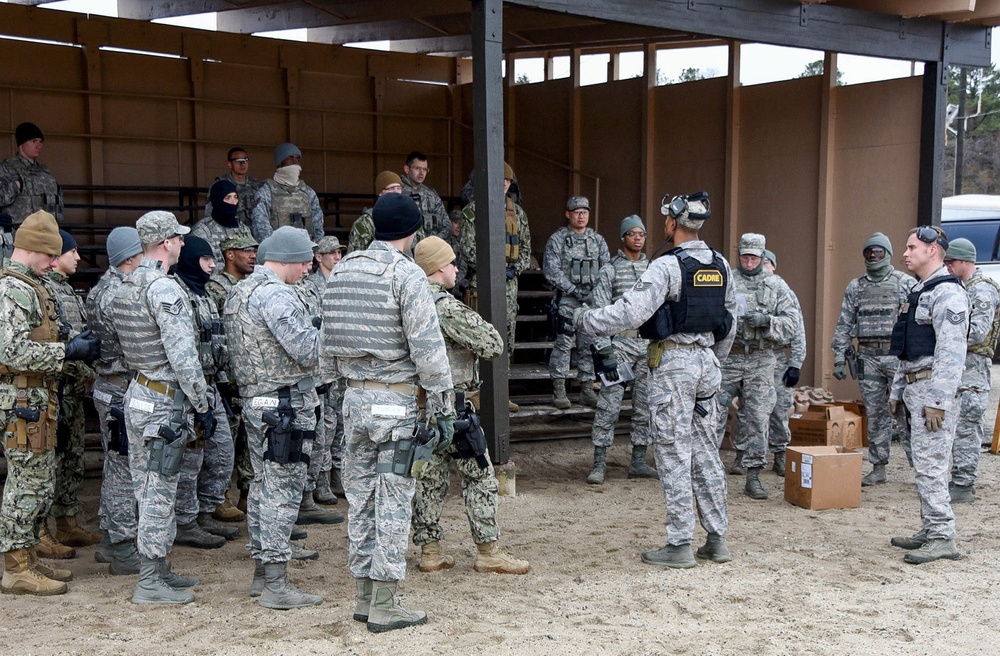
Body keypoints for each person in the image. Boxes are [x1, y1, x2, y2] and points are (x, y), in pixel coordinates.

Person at [575, 191, 736, 568]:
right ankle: (717, 539)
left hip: (675, 365)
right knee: (706, 453)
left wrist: (586, 319)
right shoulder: (721, 264)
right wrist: (713, 362)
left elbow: (631, 313)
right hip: (707, 366)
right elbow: (730, 324)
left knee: (673, 453)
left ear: (673, 223)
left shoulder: (667, 267)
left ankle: (679, 544)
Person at [324, 193, 455, 633]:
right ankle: (385, 603)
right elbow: (429, 351)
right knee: (394, 501)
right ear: (413, 231)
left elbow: (328, 338)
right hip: (394, 403)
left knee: (360, 501)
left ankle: (363, 597)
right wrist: (443, 405)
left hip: (353, 400)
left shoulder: (342, 269)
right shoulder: (406, 275)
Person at [411, 236, 530, 576]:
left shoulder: (410, 303)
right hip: (455, 409)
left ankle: (430, 552)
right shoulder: (445, 306)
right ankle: (488, 551)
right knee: (480, 478)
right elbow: (492, 343)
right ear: (437, 268)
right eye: (451, 264)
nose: (457, 269)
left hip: (422, 410)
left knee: (428, 481)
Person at [222, 226, 326, 610]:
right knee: (282, 492)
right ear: (285, 259)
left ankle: (262, 573)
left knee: (264, 488)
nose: (308, 268)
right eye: (303, 261)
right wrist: (329, 329)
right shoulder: (276, 295)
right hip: (285, 405)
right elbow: (306, 351)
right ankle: (276, 583)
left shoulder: (240, 292)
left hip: (257, 402)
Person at [114, 211, 213, 605]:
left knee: (145, 486)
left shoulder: (125, 286)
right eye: (179, 238)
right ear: (166, 242)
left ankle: (159, 568)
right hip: (163, 402)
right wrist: (202, 402)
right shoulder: (164, 289)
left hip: (138, 391)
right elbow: (184, 358)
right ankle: (150, 581)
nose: (184, 244)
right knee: (159, 490)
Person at [0, 210, 98, 596]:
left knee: (39, 481)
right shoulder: (11, 289)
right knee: (26, 483)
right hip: (21, 398)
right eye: (50, 255)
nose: (54, 262)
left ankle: (26, 556)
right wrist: (66, 351)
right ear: (36, 249)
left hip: (37, 396)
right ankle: (14, 567)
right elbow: (9, 350)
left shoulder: (30, 285)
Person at [888, 226, 968, 564]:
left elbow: (951, 354)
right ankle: (931, 526)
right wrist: (897, 390)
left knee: (932, 465)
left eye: (911, 247)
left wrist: (938, 403)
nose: (905, 254)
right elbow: (906, 350)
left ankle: (942, 537)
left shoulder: (948, 294)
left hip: (931, 394)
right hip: (914, 390)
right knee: (921, 464)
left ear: (932, 250)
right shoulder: (920, 291)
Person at [716, 233, 798, 500]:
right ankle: (709, 469)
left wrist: (767, 321)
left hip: (761, 359)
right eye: (744, 256)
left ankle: (753, 475)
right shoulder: (726, 282)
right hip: (729, 357)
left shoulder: (777, 285)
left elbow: (791, 325)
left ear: (762, 257)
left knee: (758, 417)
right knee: (713, 412)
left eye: (753, 257)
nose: (748, 262)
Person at [831, 232, 915, 486]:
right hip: (868, 358)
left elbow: (918, 322)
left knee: (906, 411)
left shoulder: (905, 283)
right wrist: (838, 357)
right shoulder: (856, 287)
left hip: (897, 358)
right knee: (876, 413)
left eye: (878, 252)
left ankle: (920, 467)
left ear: (888, 255)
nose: (873, 256)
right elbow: (844, 323)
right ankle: (879, 467)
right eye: (869, 252)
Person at [170, 235, 238, 547]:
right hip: (189, 390)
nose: (212, 265)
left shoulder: (205, 296)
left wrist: (222, 384)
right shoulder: (177, 296)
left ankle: (206, 510)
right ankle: (185, 520)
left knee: (223, 451)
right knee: (191, 459)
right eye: (205, 259)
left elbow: (216, 344)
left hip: (211, 385)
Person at [85, 226, 144, 575]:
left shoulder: (100, 290)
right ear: (131, 257)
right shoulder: (118, 294)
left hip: (110, 386)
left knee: (114, 465)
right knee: (124, 470)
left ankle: (111, 540)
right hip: (121, 388)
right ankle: (122, 548)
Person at [43, 230, 102, 551]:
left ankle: (66, 523)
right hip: (56, 387)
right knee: (51, 461)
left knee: (73, 458)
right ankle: (40, 532)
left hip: (74, 387)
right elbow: (58, 343)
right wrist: (84, 372)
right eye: (72, 251)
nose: (78, 257)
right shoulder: (46, 291)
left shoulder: (68, 290)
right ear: (55, 256)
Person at [586, 215, 656, 484]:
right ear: (623, 238)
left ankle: (638, 461)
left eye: (642, 234)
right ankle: (600, 462)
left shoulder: (654, 270)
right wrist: (605, 351)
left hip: (647, 347)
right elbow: (600, 313)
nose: (638, 238)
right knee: (609, 405)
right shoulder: (610, 271)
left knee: (645, 406)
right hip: (620, 347)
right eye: (632, 234)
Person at [457, 161, 530, 412]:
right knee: (479, 337)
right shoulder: (472, 211)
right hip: (483, 283)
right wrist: (493, 268)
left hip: (509, 286)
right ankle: (477, 394)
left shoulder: (518, 214)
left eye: (507, 182)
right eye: (499, 180)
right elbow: (467, 249)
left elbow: (526, 249)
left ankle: (501, 393)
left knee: (506, 340)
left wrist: (513, 269)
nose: (503, 185)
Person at [943, 238, 1000, 504]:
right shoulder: (961, 288)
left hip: (974, 368)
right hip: (960, 366)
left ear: (966, 261)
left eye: (951, 262)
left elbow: (977, 333)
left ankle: (964, 485)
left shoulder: (982, 290)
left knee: (967, 426)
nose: (947, 267)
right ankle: (957, 480)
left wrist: (944, 336)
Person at [205, 230, 257, 519]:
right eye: (245, 249)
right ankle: (220, 496)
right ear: (229, 254)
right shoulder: (216, 288)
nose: (252, 255)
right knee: (226, 441)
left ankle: (249, 494)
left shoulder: (254, 285)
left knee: (251, 439)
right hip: (227, 377)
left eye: (254, 249)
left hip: (250, 374)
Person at [544, 196, 610, 410]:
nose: (581, 216)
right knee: (563, 344)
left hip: (590, 302)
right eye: (577, 212)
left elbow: (607, 269)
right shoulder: (558, 239)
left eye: (585, 212)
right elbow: (551, 270)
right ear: (568, 214)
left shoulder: (597, 240)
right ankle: (559, 388)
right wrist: (573, 290)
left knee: (588, 345)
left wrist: (595, 293)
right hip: (568, 300)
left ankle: (587, 388)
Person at [304, 235, 347, 505]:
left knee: (341, 422)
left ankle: (337, 473)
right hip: (322, 365)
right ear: (319, 256)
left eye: (339, 252)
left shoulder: (343, 282)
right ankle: (321, 477)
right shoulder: (311, 287)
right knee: (325, 425)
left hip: (342, 362)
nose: (337, 257)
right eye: (331, 252)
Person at [761, 249, 806, 476]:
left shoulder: (783, 291)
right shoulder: (745, 288)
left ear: (774, 266)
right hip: (752, 357)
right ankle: (743, 456)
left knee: (779, 408)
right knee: (749, 410)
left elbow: (797, 330)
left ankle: (780, 455)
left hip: (777, 357)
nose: (763, 266)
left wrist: (795, 363)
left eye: (767, 262)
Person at [251, 143, 324, 242]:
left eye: (297, 159)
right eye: (290, 159)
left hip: (306, 251)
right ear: (280, 163)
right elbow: (260, 227)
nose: (294, 164)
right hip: (277, 253)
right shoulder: (266, 192)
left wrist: (313, 249)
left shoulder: (308, 193)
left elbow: (318, 227)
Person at [0, 123, 63, 225]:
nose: (39, 145)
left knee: (68, 240)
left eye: (40, 142)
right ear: (22, 144)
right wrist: (17, 186)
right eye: (33, 141)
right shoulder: (6, 169)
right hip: (19, 231)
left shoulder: (45, 173)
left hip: (47, 229)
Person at [348, 171, 414, 253]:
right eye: (391, 188)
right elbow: (355, 258)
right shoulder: (364, 223)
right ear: (380, 192)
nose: (396, 192)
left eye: (398, 188)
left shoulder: (411, 218)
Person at [204, 146, 261, 229]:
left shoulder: (256, 186)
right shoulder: (221, 185)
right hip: (229, 234)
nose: (243, 164)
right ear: (229, 164)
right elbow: (209, 214)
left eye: (245, 160)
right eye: (238, 161)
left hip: (253, 235)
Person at [193, 179, 247, 263]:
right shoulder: (203, 230)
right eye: (228, 198)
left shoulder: (242, 228)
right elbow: (206, 265)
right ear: (217, 200)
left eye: (235, 197)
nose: (233, 203)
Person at [401, 151, 449, 239]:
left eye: (425, 169)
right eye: (417, 168)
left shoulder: (431, 195)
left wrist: (434, 242)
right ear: (406, 169)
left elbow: (446, 224)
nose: (421, 173)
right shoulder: (397, 193)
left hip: (431, 248)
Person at [444, 209, 469, 300]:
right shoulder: (443, 240)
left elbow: (463, 267)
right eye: (455, 222)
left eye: (460, 223)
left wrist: (455, 282)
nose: (458, 226)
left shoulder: (464, 242)